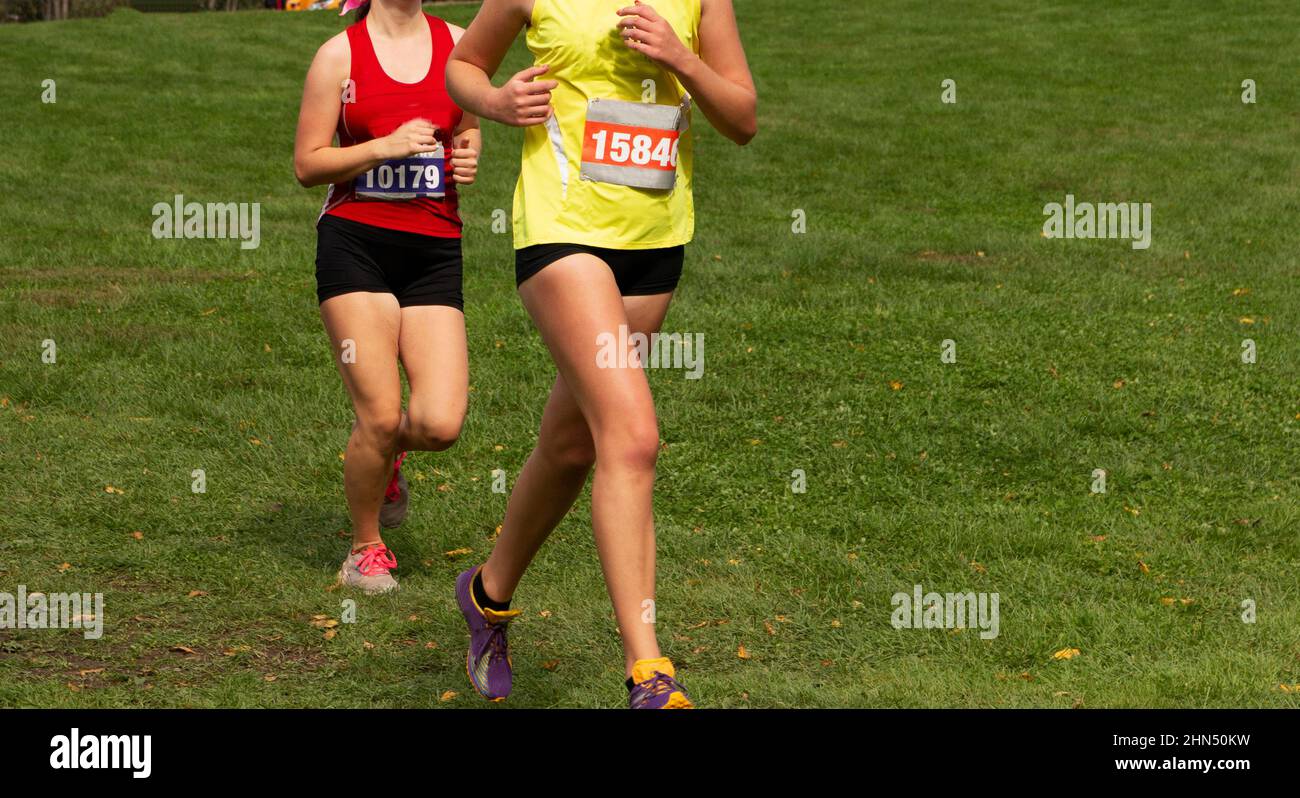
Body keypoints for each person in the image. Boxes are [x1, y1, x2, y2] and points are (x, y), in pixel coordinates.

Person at [446, 0, 755, 707]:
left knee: (570, 445)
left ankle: (487, 595)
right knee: (633, 436)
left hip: (654, 241)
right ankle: (649, 672)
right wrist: (495, 100)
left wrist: (681, 58)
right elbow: (461, 66)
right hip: (564, 230)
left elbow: (742, 118)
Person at [293, 0, 481, 594]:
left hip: (434, 250)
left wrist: (472, 151)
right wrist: (383, 147)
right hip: (356, 245)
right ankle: (365, 549)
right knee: (377, 414)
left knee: (439, 423)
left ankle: (386, 458)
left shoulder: (461, 43)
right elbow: (307, 164)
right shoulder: (339, 55)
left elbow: (468, 127)